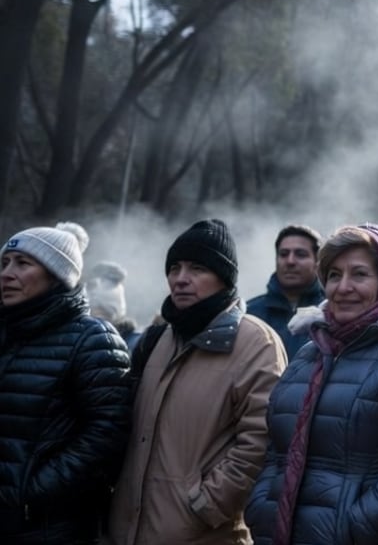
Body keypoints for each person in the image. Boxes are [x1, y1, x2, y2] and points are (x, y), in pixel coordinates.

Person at [246, 224, 378, 545]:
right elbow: (277, 450)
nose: (343, 287)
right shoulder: (310, 353)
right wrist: (262, 508)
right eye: (334, 275)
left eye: (359, 274)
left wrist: (352, 527)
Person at [107, 219, 287, 545]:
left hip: (205, 533)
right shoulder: (158, 339)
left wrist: (206, 505)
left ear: (224, 277)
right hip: (129, 529)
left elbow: (261, 440)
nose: (180, 279)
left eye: (197, 268)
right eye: (174, 268)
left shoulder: (256, 342)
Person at [0, 222, 132, 544]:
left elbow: (106, 435)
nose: (6, 274)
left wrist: (32, 492)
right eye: (4, 263)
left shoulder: (93, 339)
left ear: (57, 274)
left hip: (48, 527)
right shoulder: (6, 332)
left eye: (23, 263)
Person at [246, 225, 324, 359]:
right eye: (283, 254)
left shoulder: (330, 312)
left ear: (317, 262)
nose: (290, 261)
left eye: (300, 254)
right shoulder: (250, 314)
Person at [86, 260, 143, 351]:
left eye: (105, 312)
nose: (99, 320)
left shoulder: (137, 344)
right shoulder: (77, 340)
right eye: (96, 310)